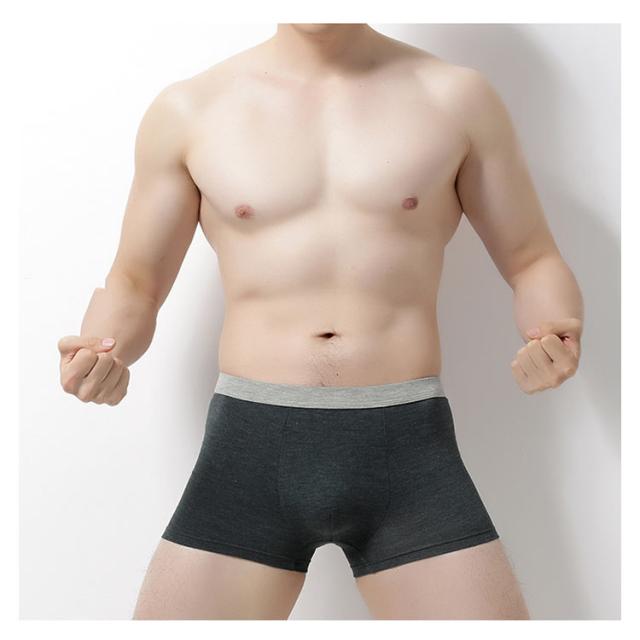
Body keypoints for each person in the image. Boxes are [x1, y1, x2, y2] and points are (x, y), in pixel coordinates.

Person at [57, 23, 584, 620]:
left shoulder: (456, 98)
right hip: (250, 450)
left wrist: (554, 332)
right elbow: (134, 282)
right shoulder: (191, 109)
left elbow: (533, 259)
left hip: (408, 447)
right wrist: (102, 350)